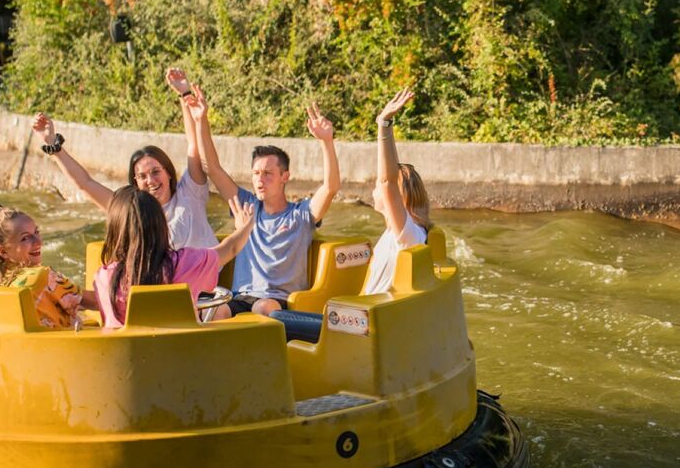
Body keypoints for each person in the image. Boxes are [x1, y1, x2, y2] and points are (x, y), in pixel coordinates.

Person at [271, 89, 431, 341]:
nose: (375, 188)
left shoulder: (409, 235)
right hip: (359, 319)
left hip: (364, 326)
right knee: (283, 315)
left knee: (276, 321)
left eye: (379, 186)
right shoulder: (397, 234)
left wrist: (384, 125)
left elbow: (387, 181)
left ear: (399, 198)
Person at [187, 85, 340, 317]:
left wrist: (326, 142)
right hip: (241, 296)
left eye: (268, 174)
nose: (260, 179)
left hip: (278, 301)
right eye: (256, 173)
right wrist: (201, 120)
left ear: (284, 177)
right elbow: (213, 169)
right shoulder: (246, 205)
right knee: (211, 312)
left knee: (262, 307)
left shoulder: (301, 214)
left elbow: (330, 187)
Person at [31, 67, 215, 250]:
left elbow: (194, 145)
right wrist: (53, 145)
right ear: (135, 182)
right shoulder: (131, 210)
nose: (150, 180)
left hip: (210, 278)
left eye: (155, 172)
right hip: (168, 280)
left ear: (168, 173)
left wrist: (185, 95)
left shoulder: (190, 193)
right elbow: (85, 183)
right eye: (142, 176)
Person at [95, 186, 255, 328]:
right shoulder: (185, 263)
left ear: (114, 231)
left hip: (124, 360)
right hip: (179, 357)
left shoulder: (104, 277)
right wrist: (244, 227)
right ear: (161, 225)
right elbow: (230, 248)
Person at [0, 203, 97, 329]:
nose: (38, 242)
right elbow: (97, 302)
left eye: (36, 232)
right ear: (3, 252)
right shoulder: (44, 277)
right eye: (25, 238)